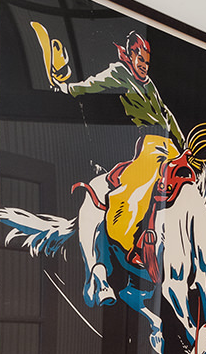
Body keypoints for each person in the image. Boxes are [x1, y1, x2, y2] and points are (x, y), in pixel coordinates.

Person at [34, 24, 191, 265]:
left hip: (169, 146)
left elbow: (166, 113)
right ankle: (134, 242)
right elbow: (92, 85)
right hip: (148, 143)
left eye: (147, 63)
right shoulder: (119, 73)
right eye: (140, 59)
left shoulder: (149, 84)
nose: (144, 66)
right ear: (130, 55)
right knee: (142, 185)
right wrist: (66, 88)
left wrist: (183, 143)